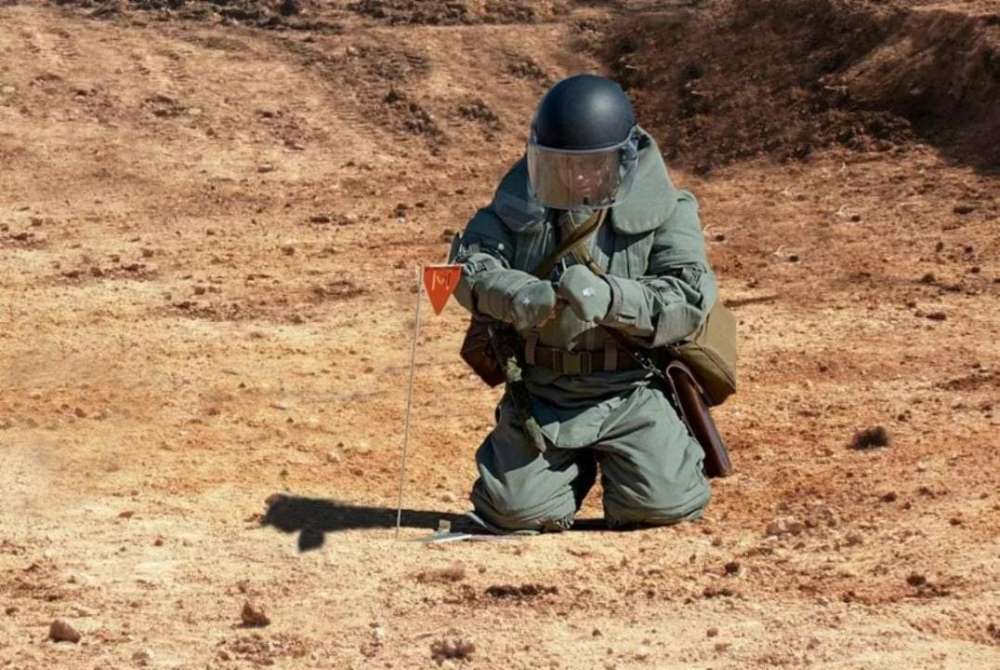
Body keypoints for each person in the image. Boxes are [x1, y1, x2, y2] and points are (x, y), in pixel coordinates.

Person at [450, 74, 718, 532]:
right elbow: (465, 268)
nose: (577, 176)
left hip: (630, 389)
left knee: (660, 507)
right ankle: (558, 473)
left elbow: (690, 297)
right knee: (514, 513)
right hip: (542, 392)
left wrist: (612, 297)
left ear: (624, 159)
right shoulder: (513, 209)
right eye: (560, 165)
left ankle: (657, 455)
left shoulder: (669, 210)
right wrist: (514, 292)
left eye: (593, 164)